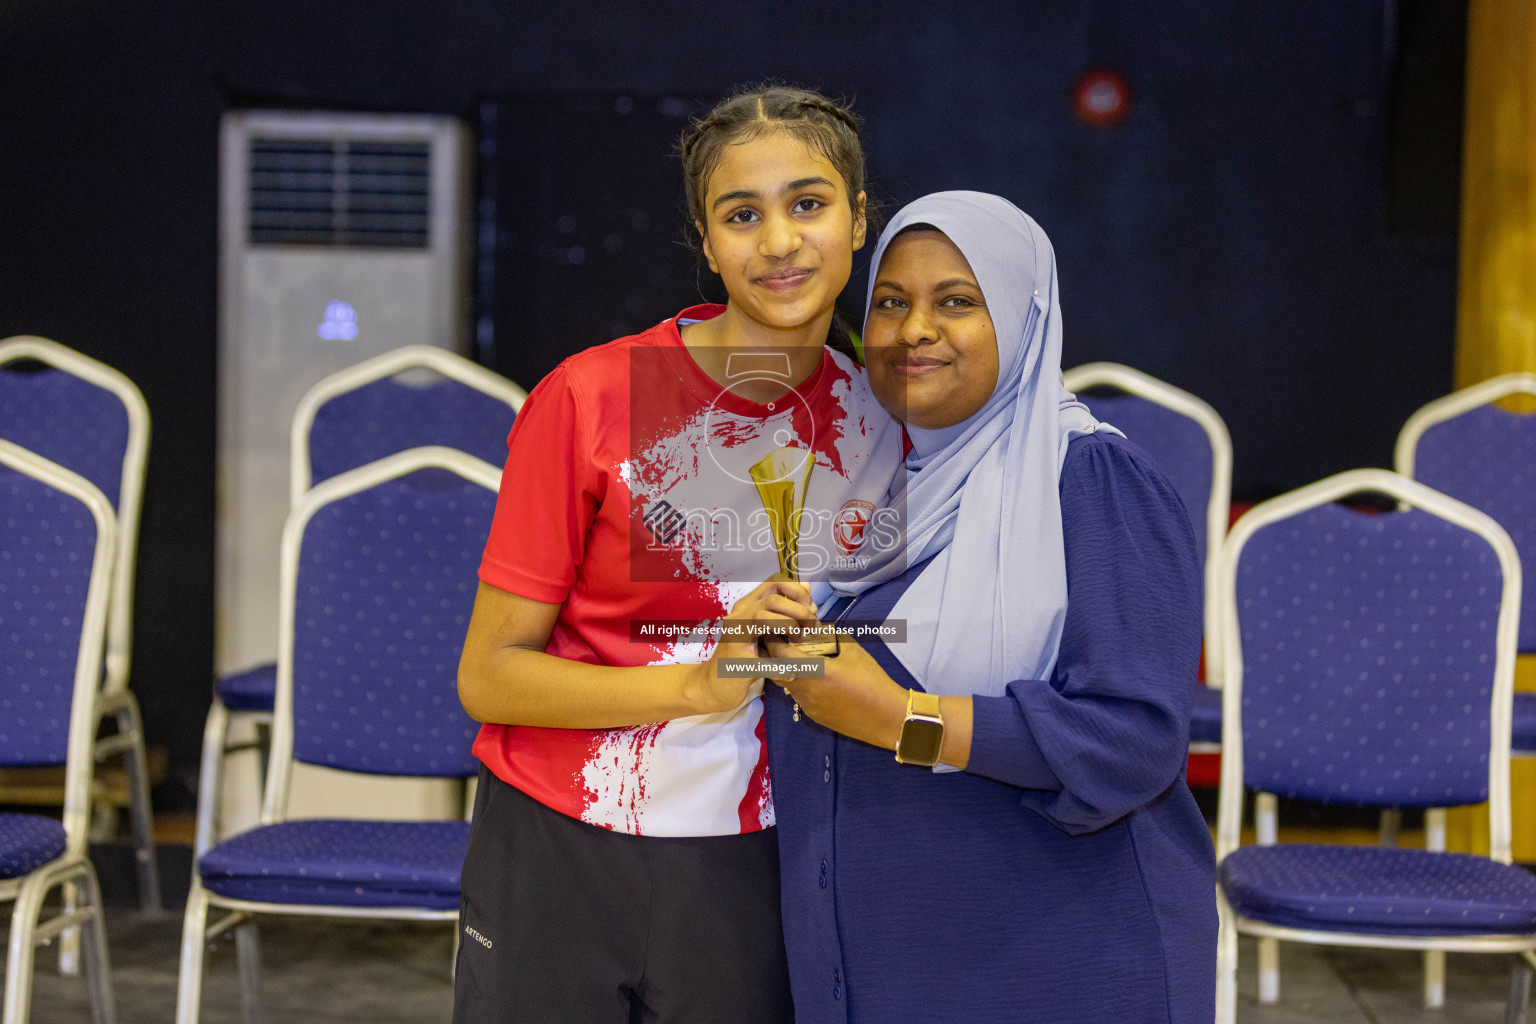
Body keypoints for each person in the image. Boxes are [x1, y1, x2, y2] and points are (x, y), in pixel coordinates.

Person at [451, 84, 904, 1024]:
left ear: (861, 219)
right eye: (742, 214)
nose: (778, 242)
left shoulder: (884, 426)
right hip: (559, 842)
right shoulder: (589, 398)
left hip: (762, 858)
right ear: (706, 242)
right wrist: (697, 687)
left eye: (808, 203)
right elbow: (490, 677)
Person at [762, 191, 1218, 1024]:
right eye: (891, 302)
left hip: (1062, 964)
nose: (914, 329)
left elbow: (1134, 740)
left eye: (957, 302)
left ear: (1025, 318)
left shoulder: (1091, 484)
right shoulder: (868, 499)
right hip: (892, 965)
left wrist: (905, 719)